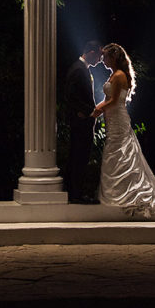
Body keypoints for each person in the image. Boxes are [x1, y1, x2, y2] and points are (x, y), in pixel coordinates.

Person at [91, 43, 155, 217]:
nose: (103, 60)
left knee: (121, 152)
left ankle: (132, 194)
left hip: (118, 118)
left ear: (113, 58)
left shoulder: (119, 76)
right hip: (112, 118)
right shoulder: (114, 75)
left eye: (106, 57)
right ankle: (119, 194)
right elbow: (109, 98)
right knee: (115, 153)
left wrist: (97, 110)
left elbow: (114, 100)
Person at [63, 40, 102, 202]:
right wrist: (88, 112)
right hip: (81, 123)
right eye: (99, 56)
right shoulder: (79, 69)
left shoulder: (82, 69)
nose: (100, 60)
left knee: (79, 157)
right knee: (79, 157)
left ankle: (74, 192)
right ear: (91, 53)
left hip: (83, 122)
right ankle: (75, 194)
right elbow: (70, 95)